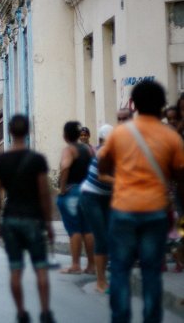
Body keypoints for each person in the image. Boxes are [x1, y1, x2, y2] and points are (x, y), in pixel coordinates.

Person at [98, 80, 184, 323]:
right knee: (151, 273)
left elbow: (103, 164)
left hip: (123, 209)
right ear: (162, 105)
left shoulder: (120, 133)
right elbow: (180, 177)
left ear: (133, 104)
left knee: (121, 270)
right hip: (155, 212)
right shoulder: (171, 137)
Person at [0, 115, 56, 323]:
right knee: (40, 268)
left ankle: (21, 312)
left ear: (9, 132)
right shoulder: (36, 160)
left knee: (15, 269)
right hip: (33, 219)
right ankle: (45, 312)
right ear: (28, 132)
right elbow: (44, 193)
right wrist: (48, 223)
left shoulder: (1, 161)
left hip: (11, 219)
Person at [79, 124, 115, 294]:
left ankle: (108, 276)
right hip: (91, 196)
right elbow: (102, 176)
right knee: (101, 236)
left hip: (107, 196)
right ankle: (100, 281)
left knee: (110, 235)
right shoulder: (102, 152)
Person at [57, 121, 95, 275]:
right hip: (88, 191)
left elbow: (66, 167)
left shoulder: (69, 150)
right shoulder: (88, 150)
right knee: (87, 229)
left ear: (65, 135)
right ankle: (92, 265)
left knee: (74, 229)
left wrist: (62, 189)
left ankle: (75, 264)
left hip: (73, 192)